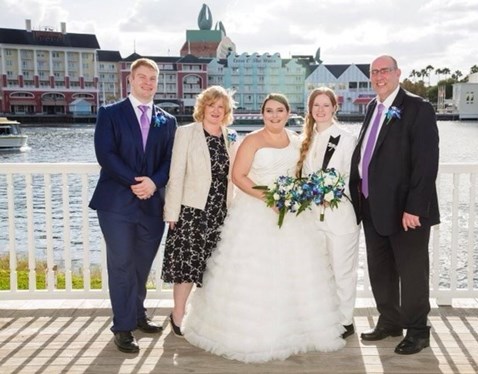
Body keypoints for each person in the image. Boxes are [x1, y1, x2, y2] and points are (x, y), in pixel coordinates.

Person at [183, 93, 345, 363]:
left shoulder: (296, 140)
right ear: (262, 113)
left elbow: (301, 174)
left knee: (297, 271)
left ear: (288, 112)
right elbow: (238, 176)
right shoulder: (252, 140)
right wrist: (270, 198)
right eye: (269, 111)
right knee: (255, 272)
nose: (274, 115)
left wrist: (294, 197)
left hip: (291, 215)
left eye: (279, 110)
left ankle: (299, 330)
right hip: (256, 212)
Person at [349, 55, 440, 355]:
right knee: (380, 269)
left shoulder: (417, 108)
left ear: (398, 73)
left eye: (384, 71)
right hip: (372, 206)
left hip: (406, 211)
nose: (378, 76)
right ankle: (390, 321)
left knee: (412, 271)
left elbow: (426, 163)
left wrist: (415, 207)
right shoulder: (374, 107)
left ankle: (417, 330)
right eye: (374, 72)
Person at [89, 58, 177, 353]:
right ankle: (123, 327)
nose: (148, 83)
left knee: (141, 265)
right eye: (142, 77)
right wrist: (136, 182)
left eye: (153, 78)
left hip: (152, 205)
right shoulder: (110, 113)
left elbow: (169, 161)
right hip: (115, 204)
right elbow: (106, 154)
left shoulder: (168, 120)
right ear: (131, 79)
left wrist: (153, 183)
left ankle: (138, 315)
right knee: (122, 263)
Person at [161, 86, 238, 337]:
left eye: (221, 107)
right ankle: (178, 314)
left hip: (219, 213)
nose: (216, 111)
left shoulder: (230, 136)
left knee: (212, 268)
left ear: (226, 112)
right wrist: (172, 212)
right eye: (211, 105)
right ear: (202, 107)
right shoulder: (186, 133)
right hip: (191, 212)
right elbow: (176, 174)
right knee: (187, 268)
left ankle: (205, 319)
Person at [295, 87, 360, 339]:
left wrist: (329, 191)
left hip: (339, 216)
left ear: (335, 107)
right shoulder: (306, 139)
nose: (320, 110)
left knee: (342, 270)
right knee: (320, 270)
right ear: (310, 110)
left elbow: (351, 177)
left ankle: (345, 320)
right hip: (311, 218)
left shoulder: (346, 139)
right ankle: (323, 317)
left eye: (326, 105)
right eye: (316, 105)